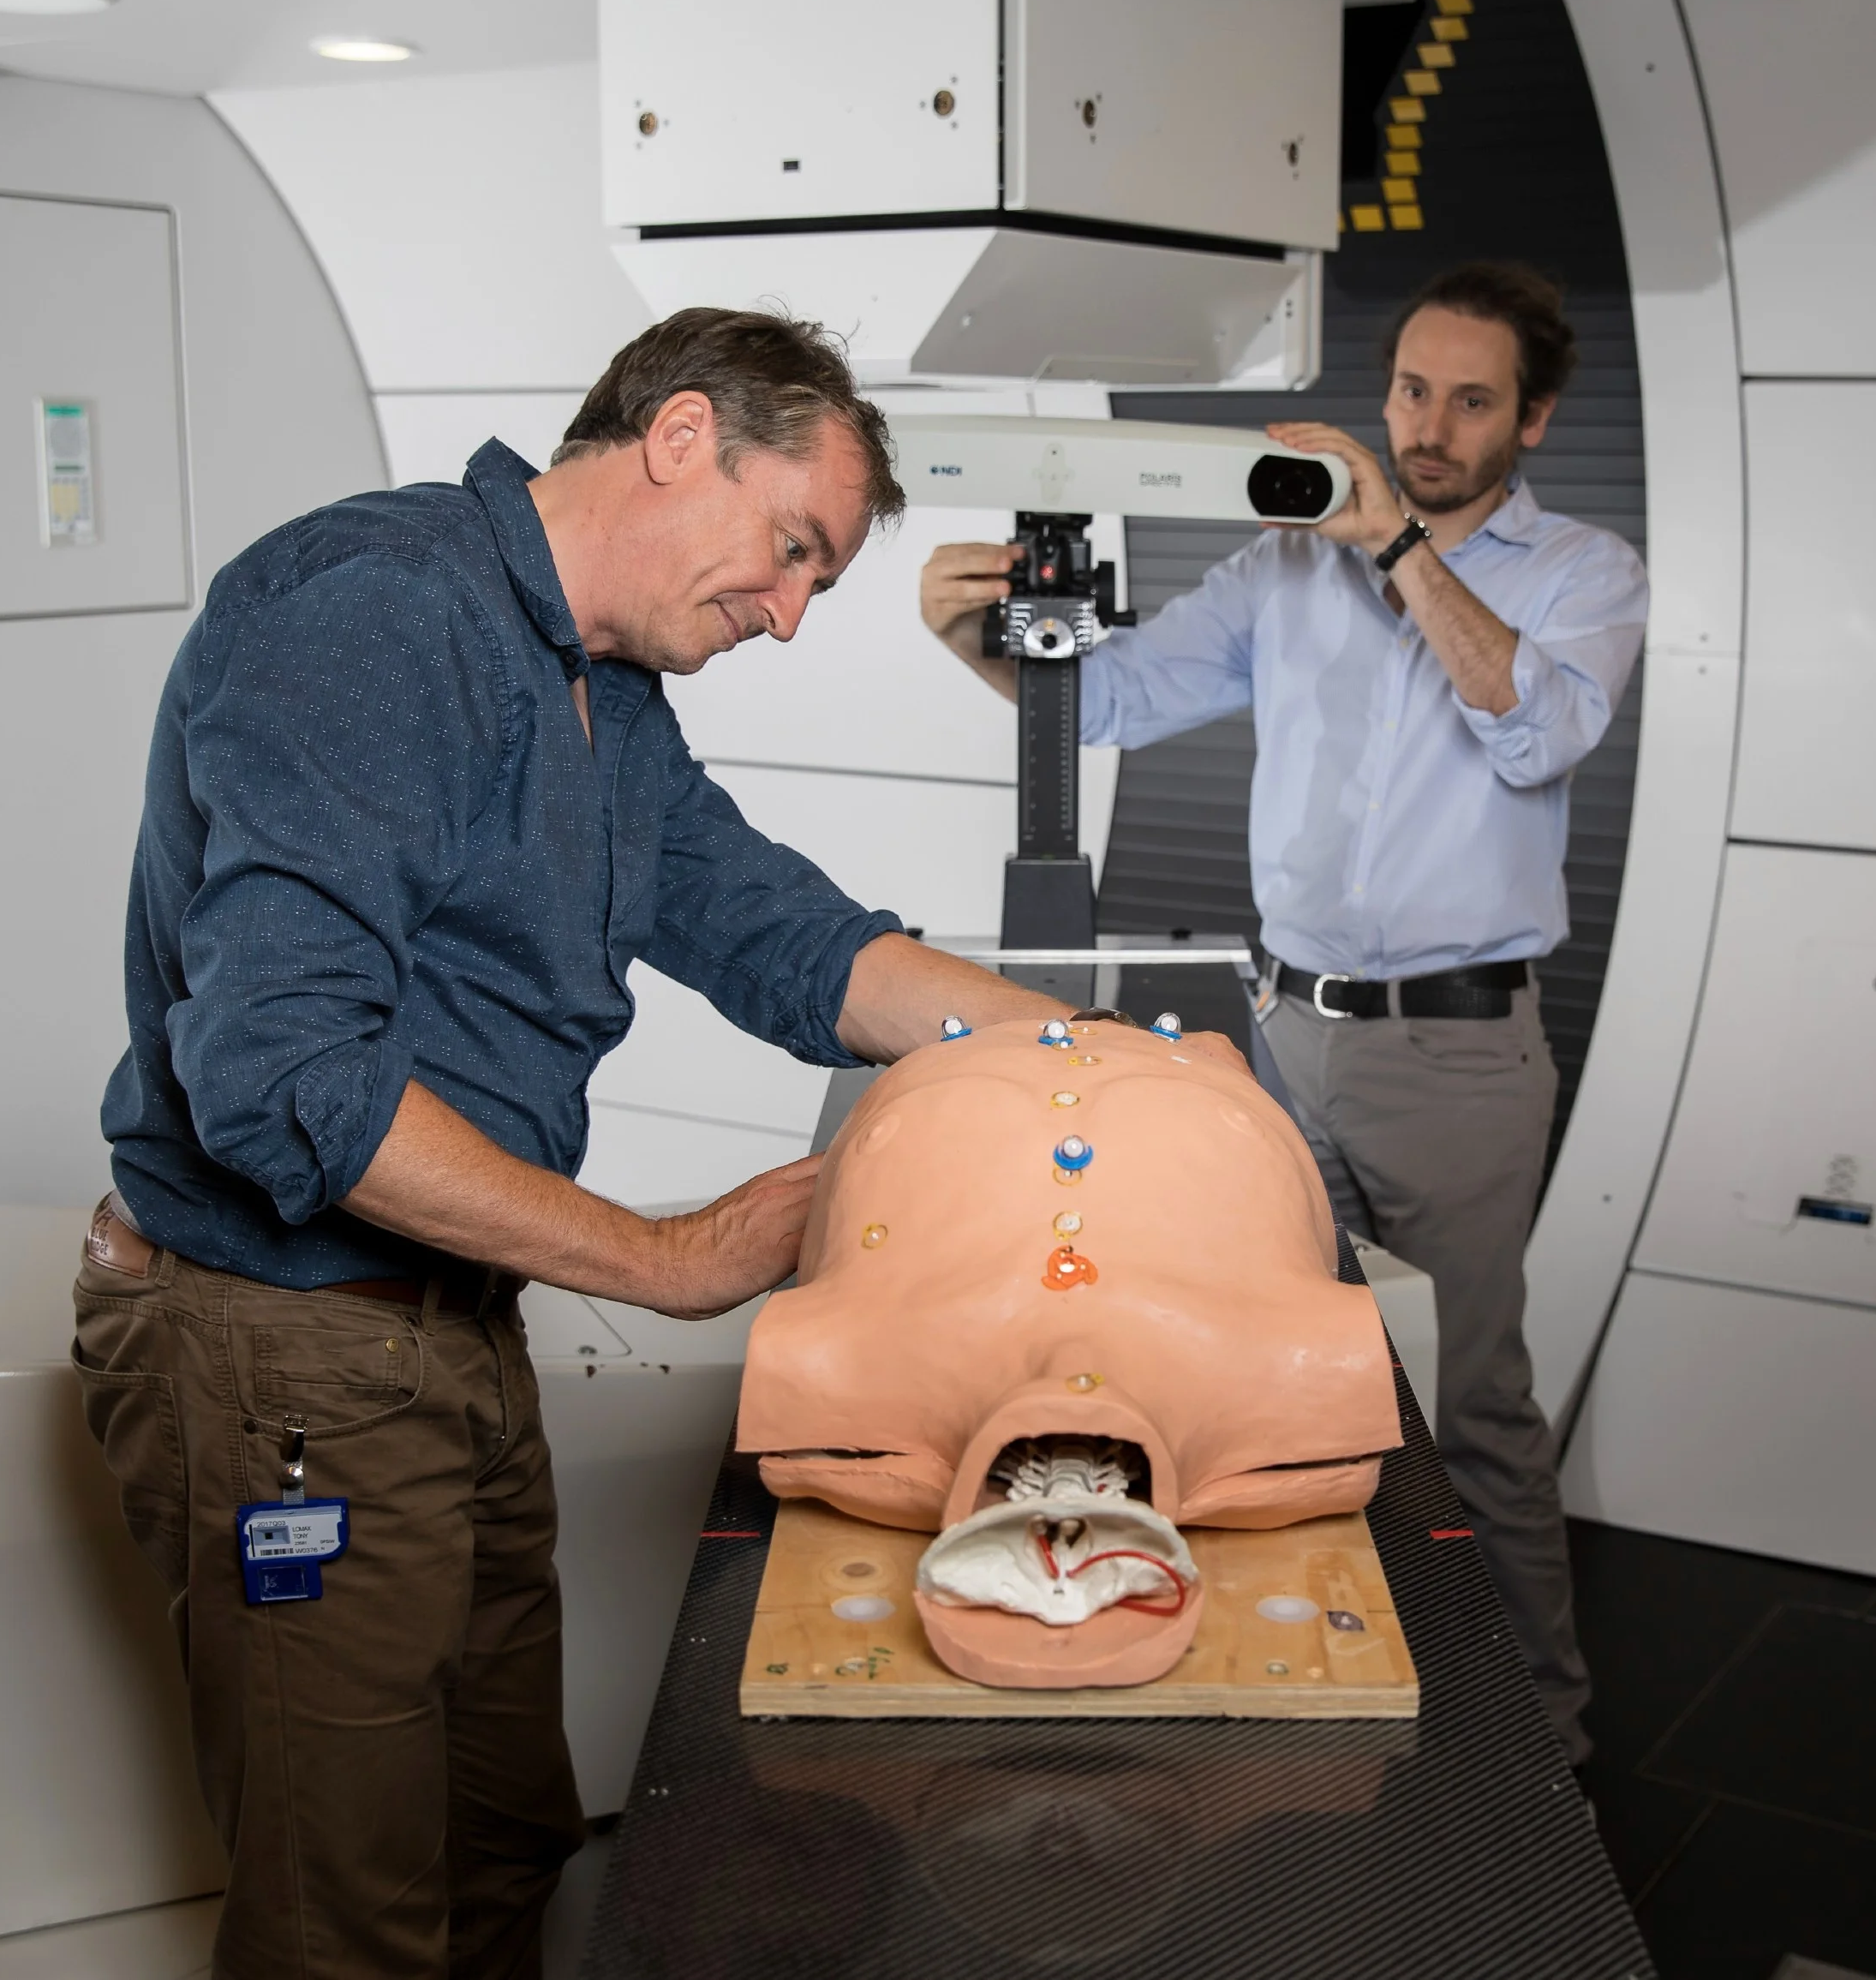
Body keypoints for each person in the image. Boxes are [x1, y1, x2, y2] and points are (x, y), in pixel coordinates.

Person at [74, 308, 1103, 1979]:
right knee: (349, 1911)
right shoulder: (381, 617)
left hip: (447, 1318)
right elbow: (276, 1070)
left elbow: (784, 935)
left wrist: (1088, 1062)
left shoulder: (596, 687)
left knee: (498, 1839)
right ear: (682, 435)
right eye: (789, 553)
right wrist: (662, 1256)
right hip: (287, 1350)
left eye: (814, 587)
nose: (781, 617)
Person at [917, 261, 1646, 1762]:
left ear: (1534, 418)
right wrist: (977, 639)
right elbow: (1106, 700)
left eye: (1467, 399)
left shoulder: (1583, 573)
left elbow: (1533, 732)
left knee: (1472, 1403)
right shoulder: (1281, 573)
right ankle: (1319, 1696)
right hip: (1281, 1038)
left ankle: (1543, 1739)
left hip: (1452, 1052)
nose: (1425, 425)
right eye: (1408, 390)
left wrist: (1390, 547)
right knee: (1276, 1383)